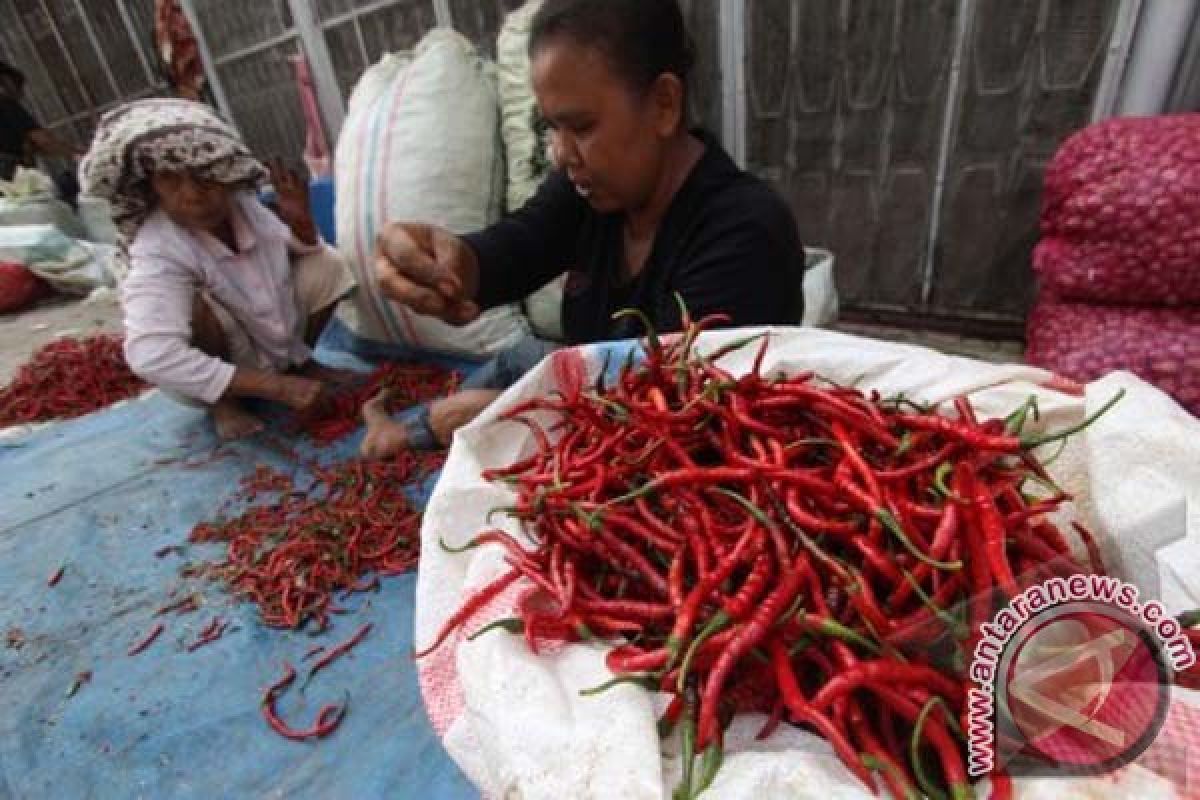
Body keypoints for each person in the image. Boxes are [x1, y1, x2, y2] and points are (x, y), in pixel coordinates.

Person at [361, 0, 803, 458]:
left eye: (581, 127)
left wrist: (499, 414)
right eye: (552, 128)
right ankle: (404, 429)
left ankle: (409, 430)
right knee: (520, 360)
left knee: (484, 420)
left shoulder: (745, 232)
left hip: (666, 451)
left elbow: (678, 424)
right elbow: (516, 247)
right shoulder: (592, 195)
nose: (560, 153)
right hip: (599, 395)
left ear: (664, 105)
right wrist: (442, 261)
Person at [79, 98, 356, 440]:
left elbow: (298, 252)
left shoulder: (244, 207)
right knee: (195, 306)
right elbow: (151, 355)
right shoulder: (157, 248)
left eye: (204, 176)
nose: (193, 195)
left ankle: (301, 363)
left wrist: (301, 222)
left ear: (225, 174)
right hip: (210, 365)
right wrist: (278, 388)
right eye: (171, 180)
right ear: (150, 186)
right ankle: (225, 404)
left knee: (327, 265)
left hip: (265, 337)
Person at [0, 61, 82, 182]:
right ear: (6, 81)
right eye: (18, 87)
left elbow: (38, 146)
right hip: (14, 186)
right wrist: (81, 154)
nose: (21, 95)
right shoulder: (5, 104)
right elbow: (44, 142)